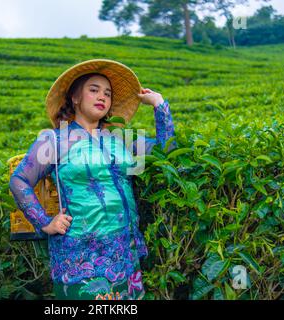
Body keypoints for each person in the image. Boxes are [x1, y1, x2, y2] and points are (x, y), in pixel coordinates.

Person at [9, 59, 177, 300]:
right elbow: (19, 180)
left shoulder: (121, 139)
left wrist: (159, 105)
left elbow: (167, 151)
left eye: (107, 93)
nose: (102, 97)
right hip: (79, 257)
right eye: (94, 90)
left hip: (125, 252)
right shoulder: (55, 140)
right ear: (75, 97)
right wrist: (45, 223)